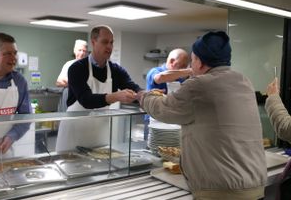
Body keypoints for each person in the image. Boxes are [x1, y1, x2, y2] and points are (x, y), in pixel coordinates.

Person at [137, 31, 267, 200]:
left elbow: (163, 109)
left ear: (199, 61)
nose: (191, 65)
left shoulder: (200, 85)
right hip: (255, 186)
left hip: (223, 191)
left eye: (192, 60)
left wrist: (145, 97)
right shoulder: (243, 81)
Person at [56, 25, 142, 151]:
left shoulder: (116, 70)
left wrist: (145, 94)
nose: (109, 46)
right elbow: (86, 100)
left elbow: (133, 87)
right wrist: (116, 96)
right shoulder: (77, 68)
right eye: (105, 42)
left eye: (111, 42)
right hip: (73, 135)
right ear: (93, 42)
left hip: (99, 135)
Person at [144, 48, 192, 140]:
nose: (183, 69)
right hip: (154, 120)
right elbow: (160, 78)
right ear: (172, 61)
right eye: (182, 66)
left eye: (185, 67)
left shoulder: (180, 78)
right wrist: (189, 71)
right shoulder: (155, 71)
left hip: (172, 120)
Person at [56, 39, 88, 112]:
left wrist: (67, 81)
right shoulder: (68, 64)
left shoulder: (89, 66)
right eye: (79, 50)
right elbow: (58, 82)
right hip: (67, 97)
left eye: (84, 51)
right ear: (75, 51)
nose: (82, 53)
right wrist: (75, 83)